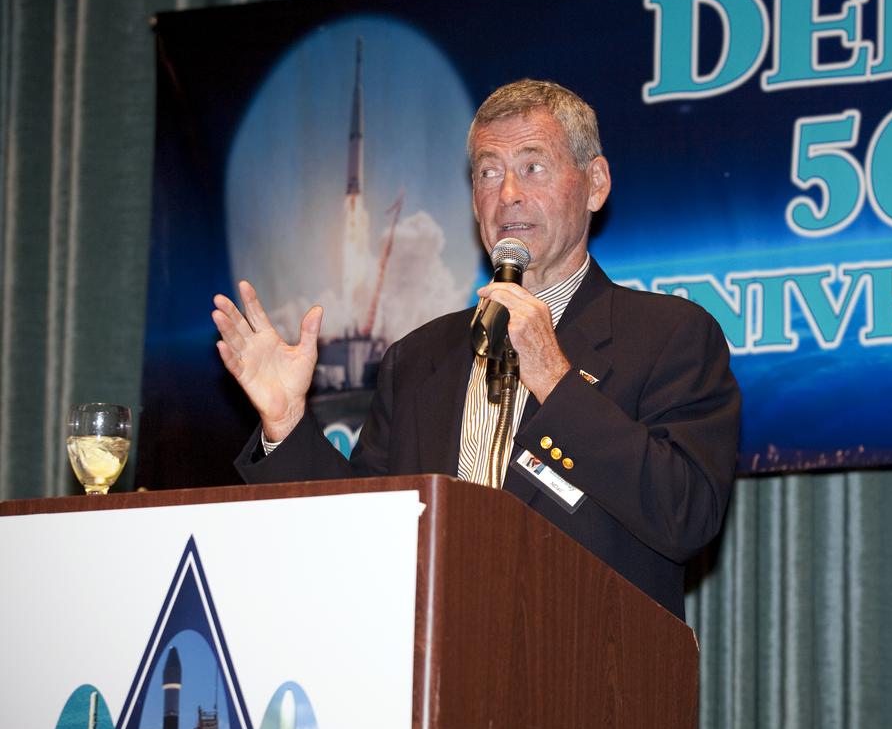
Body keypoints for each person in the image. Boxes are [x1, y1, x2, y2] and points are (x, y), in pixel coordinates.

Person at [211, 79, 741, 616]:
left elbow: (686, 515)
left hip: (585, 673)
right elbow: (360, 532)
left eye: (533, 167)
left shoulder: (670, 336)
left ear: (595, 184)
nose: (508, 192)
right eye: (489, 172)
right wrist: (286, 425)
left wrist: (555, 379)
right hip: (432, 669)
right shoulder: (418, 358)